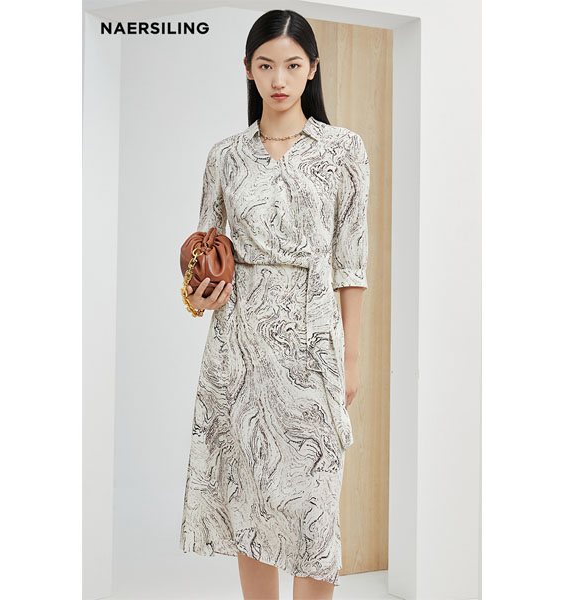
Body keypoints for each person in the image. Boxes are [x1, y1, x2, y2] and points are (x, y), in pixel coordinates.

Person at [179, 9, 369, 600]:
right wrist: (198, 294)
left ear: (312, 69)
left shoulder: (344, 150)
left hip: (313, 344)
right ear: (248, 70)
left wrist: (351, 357)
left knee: (315, 514)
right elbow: (205, 251)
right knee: (250, 502)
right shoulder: (226, 157)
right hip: (238, 349)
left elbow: (351, 263)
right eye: (265, 65)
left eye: (292, 64)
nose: (279, 79)